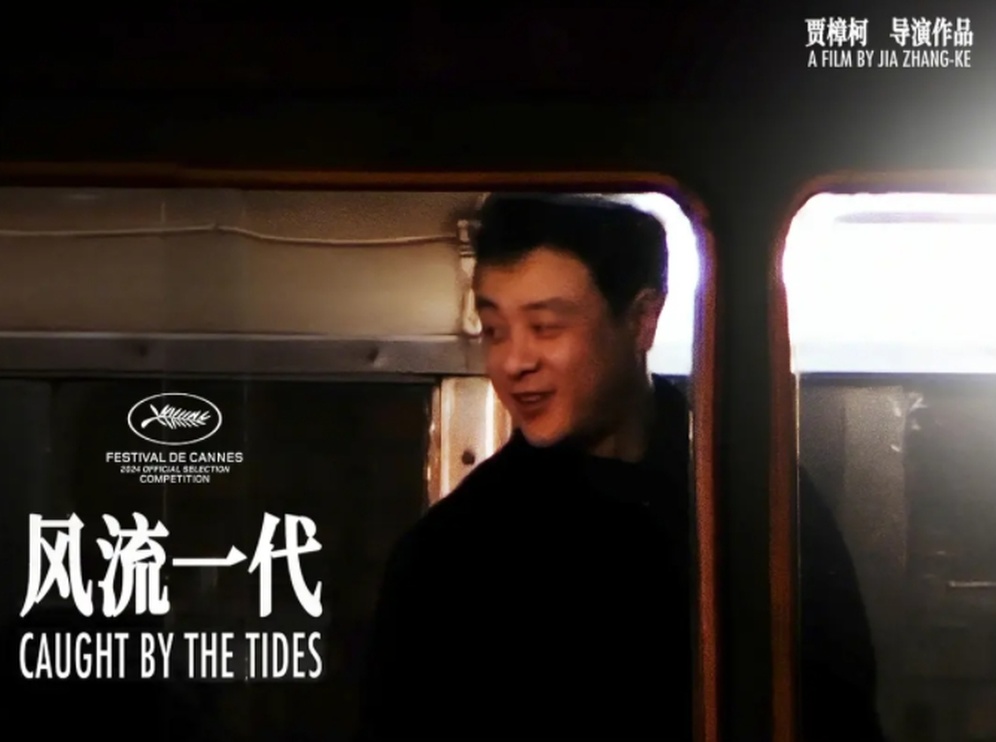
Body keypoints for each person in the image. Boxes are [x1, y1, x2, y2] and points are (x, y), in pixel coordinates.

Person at [356, 193, 881, 741]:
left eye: (545, 327)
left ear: (641, 320)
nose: (514, 362)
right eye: (494, 330)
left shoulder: (758, 505)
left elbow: (840, 715)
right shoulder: (453, 550)